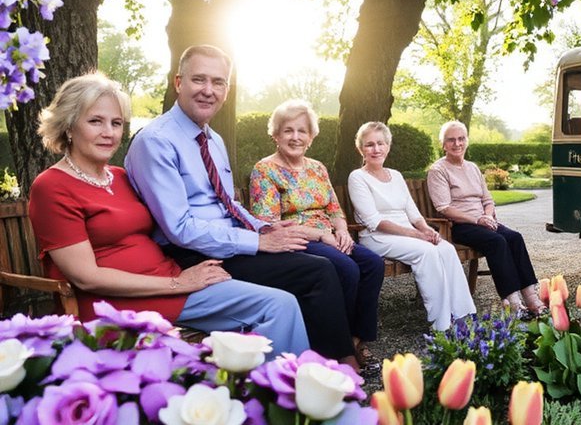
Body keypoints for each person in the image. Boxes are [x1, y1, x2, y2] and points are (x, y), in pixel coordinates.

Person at [28, 73, 308, 355]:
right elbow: (87, 277)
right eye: (95, 121)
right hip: (117, 303)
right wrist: (178, 283)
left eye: (116, 123)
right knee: (277, 306)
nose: (109, 133)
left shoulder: (119, 177)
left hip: (172, 282)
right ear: (68, 126)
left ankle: (262, 380)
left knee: (283, 300)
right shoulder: (52, 186)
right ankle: (279, 381)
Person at [124, 45, 358, 369]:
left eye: (218, 82)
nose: (208, 90)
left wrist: (266, 227)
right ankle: (324, 368)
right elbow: (180, 229)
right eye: (199, 79)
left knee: (328, 264)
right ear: (178, 83)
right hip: (193, 253)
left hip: (230, 241)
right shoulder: (156, 141)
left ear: (226, 90)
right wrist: (259, 242)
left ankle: (323, 362)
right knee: (317, 272)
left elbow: (229, 203)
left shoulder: (214, 140)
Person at [249, 99, 384, 364]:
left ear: (311, 137)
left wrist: (342, 231)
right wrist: (321, 235)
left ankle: (356, 339)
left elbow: (334, 208)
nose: (295, 137)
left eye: (302, 131)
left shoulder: (317, 168)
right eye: (288, 130)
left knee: (373, 263)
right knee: (346, 269)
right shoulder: (264, 170)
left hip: (330, 236)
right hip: (296, 240)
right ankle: (337, 350)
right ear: (276, 135)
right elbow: (269, 224)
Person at [347, 121, 476, 331]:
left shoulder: (396, 175)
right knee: (428, 252)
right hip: (377, 237)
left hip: (408, 234)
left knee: (446, 248)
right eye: (370, 144)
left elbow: (413, 212)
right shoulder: (357, 177)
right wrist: (416, 235)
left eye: (381, 143)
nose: (376, 149)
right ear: (360, 149)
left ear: (388, 146)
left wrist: (426, 230)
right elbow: (373, 221)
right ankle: (441, 325)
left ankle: (462, 315)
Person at [427, 121, 546, 316]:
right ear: (443, 144)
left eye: (461, 139)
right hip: (461, 225)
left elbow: (488, 200)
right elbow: (444, 208)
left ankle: (532, 298)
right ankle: (514, 304)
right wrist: (477, 220)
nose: (457, 144)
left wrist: (488, 215)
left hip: (483, 221)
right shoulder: (438, 170)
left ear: (467, 141)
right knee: (497, 242)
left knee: (515, 238)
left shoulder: (472, 167)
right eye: (451, 140)